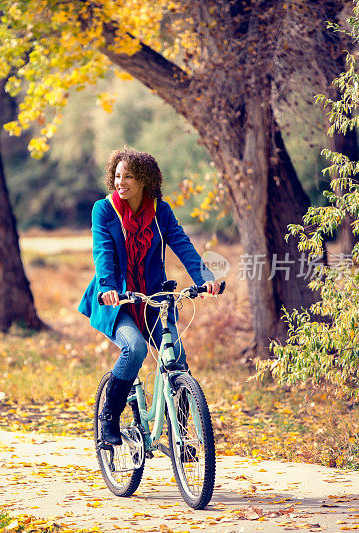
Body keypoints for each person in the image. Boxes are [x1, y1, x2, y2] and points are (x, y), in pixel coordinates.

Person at [78, 147, 222, 447]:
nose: (121, 182)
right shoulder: (104, 210)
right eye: (117, 175)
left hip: (154, 298)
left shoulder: (160, 211)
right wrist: (107, 288)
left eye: (129, 176)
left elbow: (182, 245)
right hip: (120, 301)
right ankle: (108, 417)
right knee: (135, 348)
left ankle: (181, 436)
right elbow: (102, 252)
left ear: (144, 179)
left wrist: (205, 280)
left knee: (177, 359)